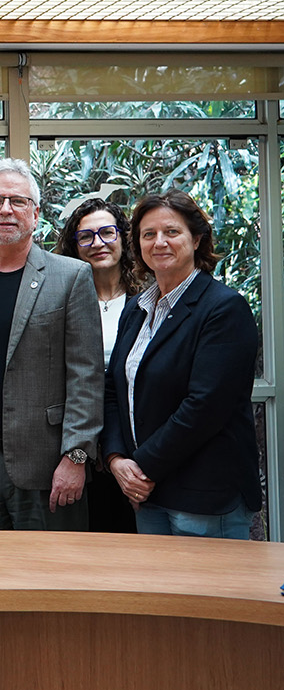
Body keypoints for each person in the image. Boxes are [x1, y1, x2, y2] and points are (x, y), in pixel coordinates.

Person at [0, 159, 103, 530]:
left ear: (36, 213)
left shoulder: (71, 276)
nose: (6, 210)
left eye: (18, 201)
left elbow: (87, 377)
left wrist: (76, 456)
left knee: (50, 566)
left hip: (49, 464)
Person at [102, 191, 260, 539]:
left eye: (171, 232)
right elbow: (113, 389)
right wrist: (116, 459)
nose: (159, 242)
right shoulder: (136, 310)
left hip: (204, 496)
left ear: (197, 238)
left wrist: (141, 466)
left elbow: (205, 406)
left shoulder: (224, 309)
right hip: (149, 494)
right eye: (148, 234)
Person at [53, 198, 142, 533]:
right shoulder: (60, 300)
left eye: (107, 232)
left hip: (135, 444)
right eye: (86, 236)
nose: (98, 243)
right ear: (74, 246)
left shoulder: (149, 298)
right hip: (75, 445)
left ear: (124, 237)